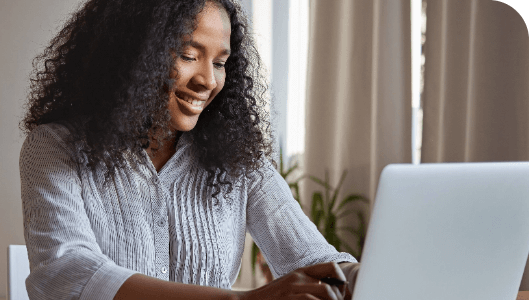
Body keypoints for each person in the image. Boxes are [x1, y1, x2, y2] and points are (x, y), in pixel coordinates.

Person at [19, 0, 361, 299]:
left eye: (219, 62)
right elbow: (67, 274)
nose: (208, 81)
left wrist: (366, 277)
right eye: (188, 55)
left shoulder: (239, 161)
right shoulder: (56, 146)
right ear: (131, 53)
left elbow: (313, 261)